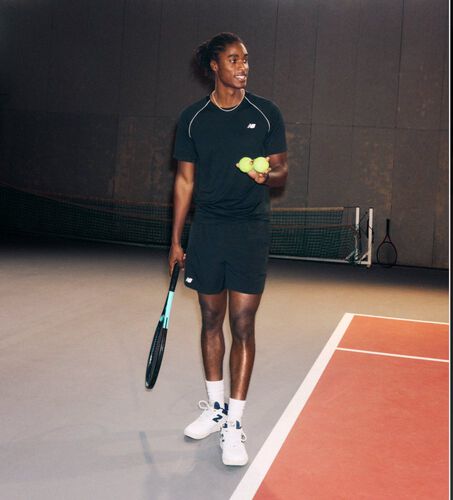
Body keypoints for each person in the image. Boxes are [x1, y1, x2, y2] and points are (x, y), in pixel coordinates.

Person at [171, 32, 288, 467]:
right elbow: (184, 181)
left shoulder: (266, 113)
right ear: (214, 67)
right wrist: (176, 239)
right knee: (209, 318)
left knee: (242, 322)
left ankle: (235, 424)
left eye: (246, 60)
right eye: (234, 60)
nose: (244, 67)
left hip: (250, 229)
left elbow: (281, 169)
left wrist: (268, 177)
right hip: (208, 230)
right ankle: (216, 410)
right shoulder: (192, 119)